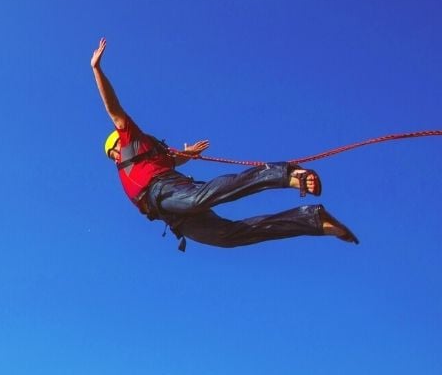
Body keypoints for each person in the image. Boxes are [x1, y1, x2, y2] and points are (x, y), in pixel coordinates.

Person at [90, 37, 359, 249]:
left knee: (199, 197)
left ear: (120, 142)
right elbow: (172, 160)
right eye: (110, 153)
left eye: (113, 147)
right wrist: (187, 154)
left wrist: (96, 70)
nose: (113, 154)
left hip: (166, 191)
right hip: (173, 216)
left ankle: (287, 174)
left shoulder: (131, 141)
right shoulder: (141, 161)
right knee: (228, 237)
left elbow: (113, 109)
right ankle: (313, 221)